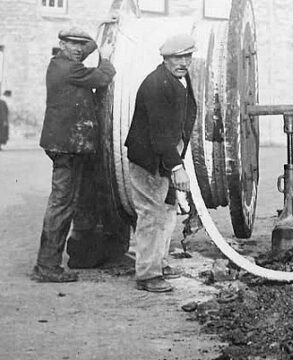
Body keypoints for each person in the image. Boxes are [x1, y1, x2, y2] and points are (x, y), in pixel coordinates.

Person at [33, 27, 115, 282]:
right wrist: (107, 56)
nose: (79, 48)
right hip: (68, 147)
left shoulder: (60, 63)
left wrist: (100, 36)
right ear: (61, 43)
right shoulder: (71, 70)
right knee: (62, 204)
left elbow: (83, 50)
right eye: (73, 44)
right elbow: (103, 77)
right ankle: (47, 267)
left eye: (82, 44)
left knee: (67, 202)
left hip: (65, 145)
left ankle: (54, 262)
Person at [124, 34, 197, 293]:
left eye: (188, 57)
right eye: (178, 57)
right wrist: (177, 167)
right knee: (151, 214)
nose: (184, 62)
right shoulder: (156, 85)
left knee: (166, 212)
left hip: (164, 156)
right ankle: (147, 274)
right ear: (165, 58)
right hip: (149, 160)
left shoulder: (180, 79)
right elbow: (160, 133)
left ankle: (159, 263)